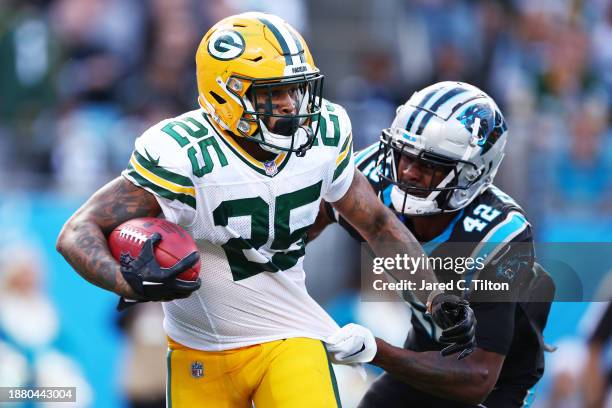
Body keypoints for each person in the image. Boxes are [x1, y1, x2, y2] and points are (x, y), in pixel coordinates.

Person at [56, 13, 475, 408]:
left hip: (290, 333)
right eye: (273, 92)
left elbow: (378, 222)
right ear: (226, 93)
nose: (292, 104)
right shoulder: (182, 154)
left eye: (294, 89)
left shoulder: (324, 134)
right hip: (198, 346)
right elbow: (77, 232)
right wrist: (125, 282)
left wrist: (435, 296)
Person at [309, 81, 554, 407]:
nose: (407, 171)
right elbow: (310, 220)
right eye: (403, 154)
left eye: (428, 164)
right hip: (426, 345)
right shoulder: (371, 176)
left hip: (494, 378)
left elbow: (478, 375)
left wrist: (379, 352)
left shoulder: (498, 236)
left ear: (472, 173)